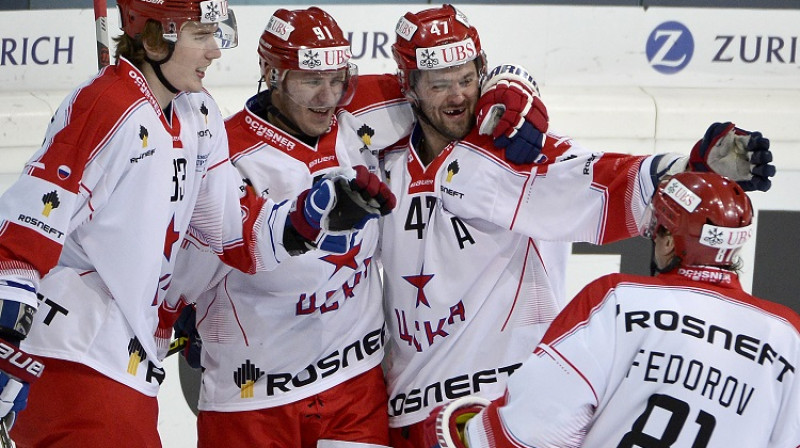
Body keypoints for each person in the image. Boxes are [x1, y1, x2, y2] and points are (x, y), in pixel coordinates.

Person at [379, 5, 775, 447]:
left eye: (467, 80)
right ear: (408, 86)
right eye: (439, 84)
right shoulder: (384, 162)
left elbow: (605, 180)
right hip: (404, 412)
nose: (457, 96)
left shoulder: (515, 155)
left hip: (495, 408)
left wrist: (691, 168)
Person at [0, 0, 392, 446]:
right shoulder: (107, 103)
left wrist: (306, 218)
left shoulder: (198, 114)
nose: (215, 51)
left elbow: (230, 232)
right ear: (154, 40)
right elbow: (26, 226)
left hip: (126, 362)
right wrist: (5, 333)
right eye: (200, 36)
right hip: (70, 357)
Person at [163, 7, 405, 448]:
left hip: (355, 388)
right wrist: (179, 312)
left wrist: (510, 85)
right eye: (311, 81)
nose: (328, 97)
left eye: (337, 79)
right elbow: (184, 261)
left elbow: (446, 87)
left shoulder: (362, 113)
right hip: (251, 400)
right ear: (272, 75)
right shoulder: (222, 151)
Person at [428, 171, 800, 448]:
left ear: (669, 242)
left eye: (657, 230)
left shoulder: (617, 299)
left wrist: (470, 431)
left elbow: (533, 429)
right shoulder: (787, 336)